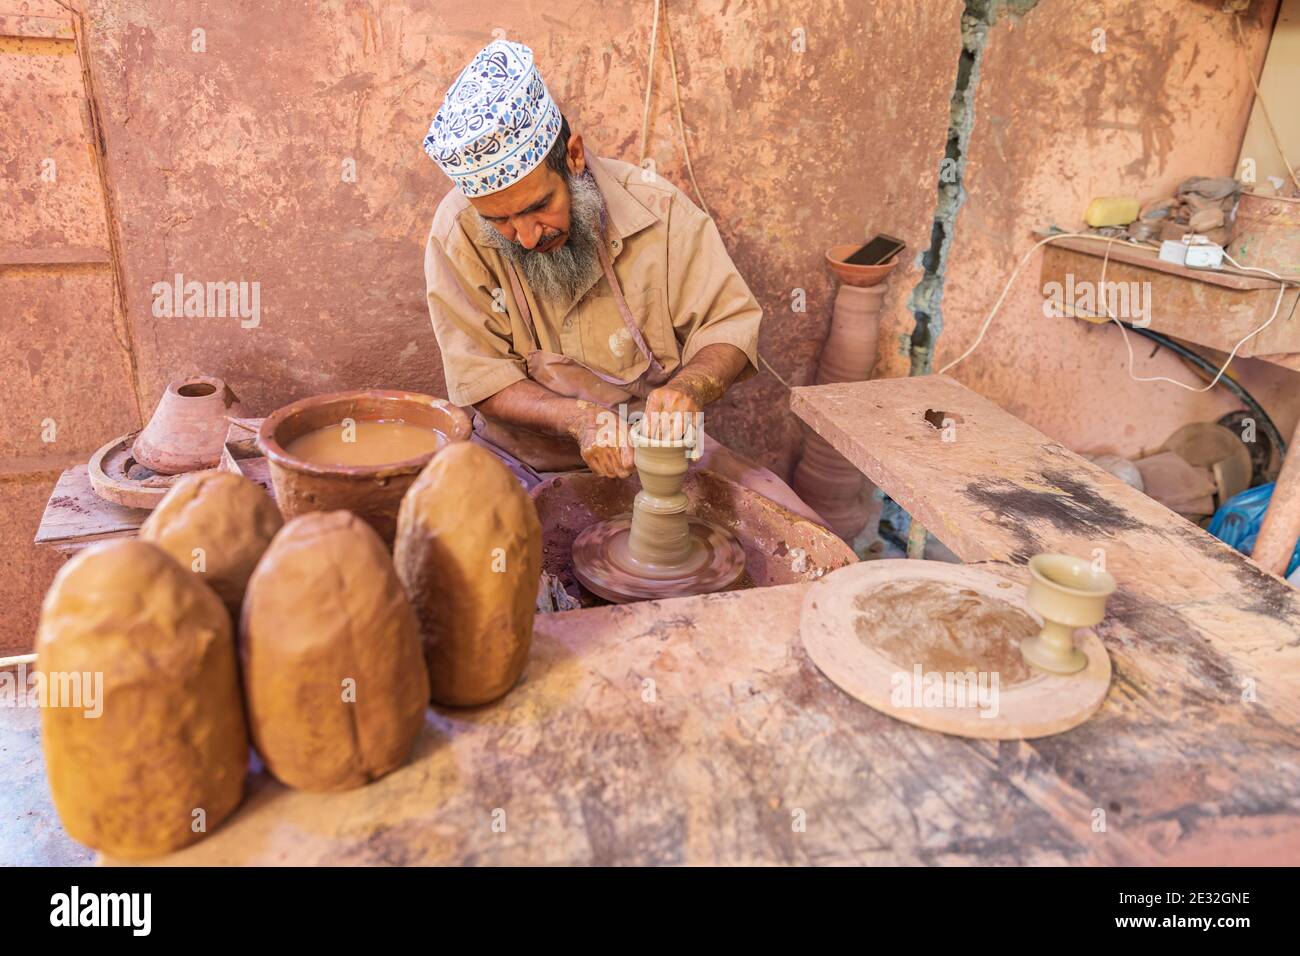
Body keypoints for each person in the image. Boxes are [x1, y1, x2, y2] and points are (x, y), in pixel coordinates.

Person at [422, 39, 822, 524]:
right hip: (519, 453)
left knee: (796, 527)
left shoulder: (660, 211)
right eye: (501, 222)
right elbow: (481, 377)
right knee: (477, 560)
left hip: (655, 447)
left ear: (573, 156)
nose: (526, 237)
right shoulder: (458, 233)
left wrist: (691, 388)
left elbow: (729, 325)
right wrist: (579, 420)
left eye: (537, 207)